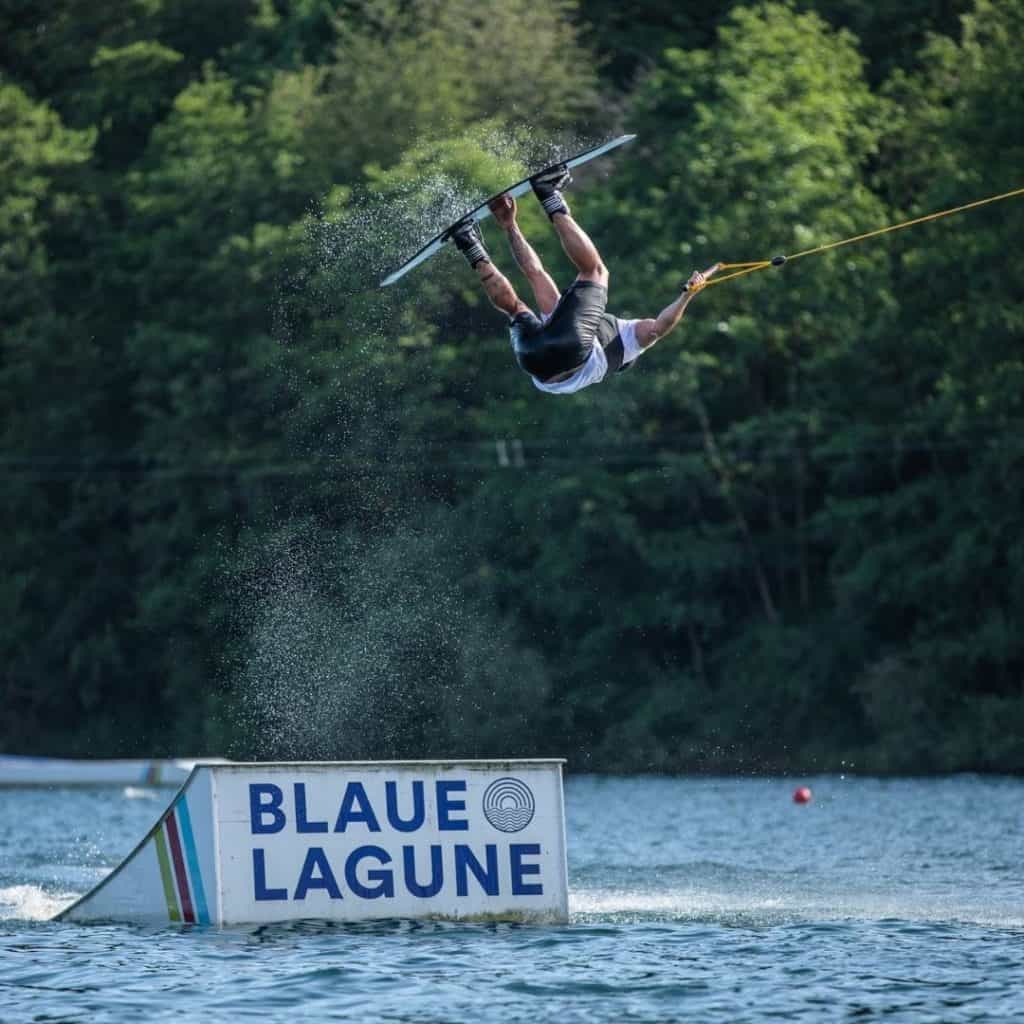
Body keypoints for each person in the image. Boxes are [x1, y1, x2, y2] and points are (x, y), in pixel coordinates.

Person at [448, 165, 720, 394]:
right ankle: (467, 242)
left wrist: (688, 295)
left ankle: (548, 192)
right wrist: (510, 225)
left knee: (596, 272)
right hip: (532, 360)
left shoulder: (628, 343)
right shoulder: (562, 324)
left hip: (571, 350)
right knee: (514, 308)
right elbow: (535, 272)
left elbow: (658, 329)